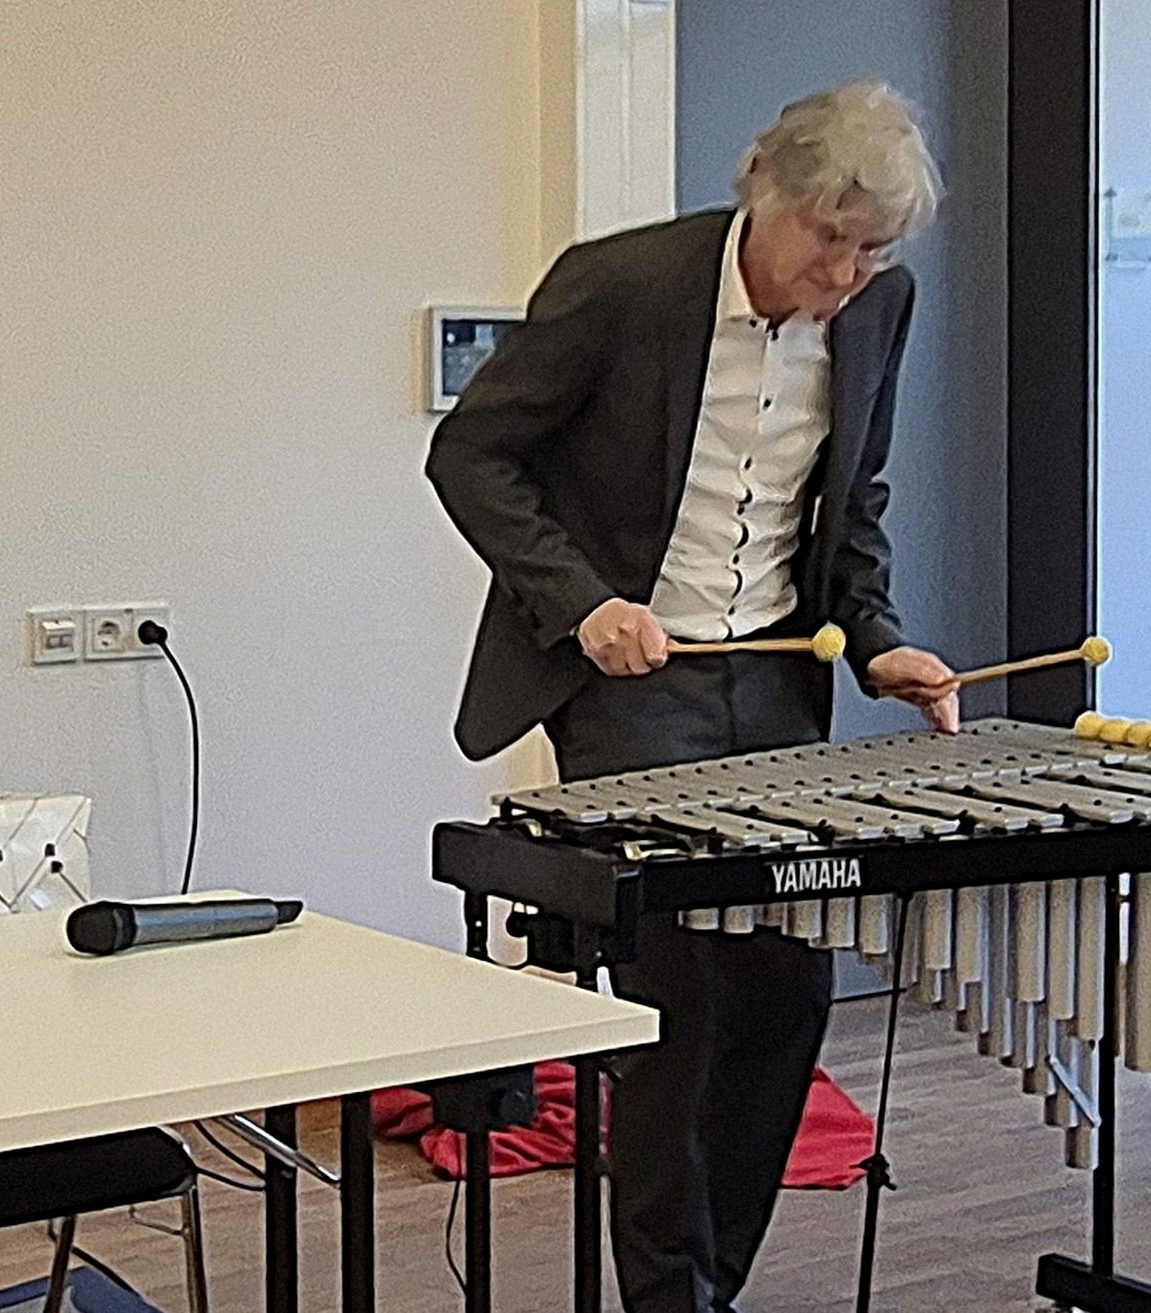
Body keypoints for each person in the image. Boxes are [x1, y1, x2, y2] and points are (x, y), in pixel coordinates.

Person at [426, 78, 954, 1313]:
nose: (847, 274)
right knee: (685, 996)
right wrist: (584, 603)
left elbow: (853, 500)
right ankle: (671, 1298)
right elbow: (472, 454)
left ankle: (714, 1279)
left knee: (788, 994)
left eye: (875, 250)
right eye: (832, 239)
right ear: (765, 189)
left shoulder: (880, 306)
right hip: (632, 683)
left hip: (775, 675)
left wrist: (877, 640)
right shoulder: (622, 285)